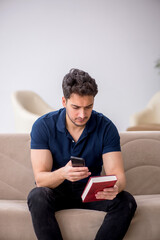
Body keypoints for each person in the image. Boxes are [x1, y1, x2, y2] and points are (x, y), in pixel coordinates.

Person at [27, 68, 137, 240]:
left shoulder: (106, 127)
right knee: (37, 195)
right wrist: (63, 173)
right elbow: (41, 179)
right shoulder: (43, 126)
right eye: (76, 107)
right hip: (57, 192)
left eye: (89, 107)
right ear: (64, 101)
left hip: (91, 193)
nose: (82, 114)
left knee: (126, 200)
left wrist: (116, 187)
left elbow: (118, 175)